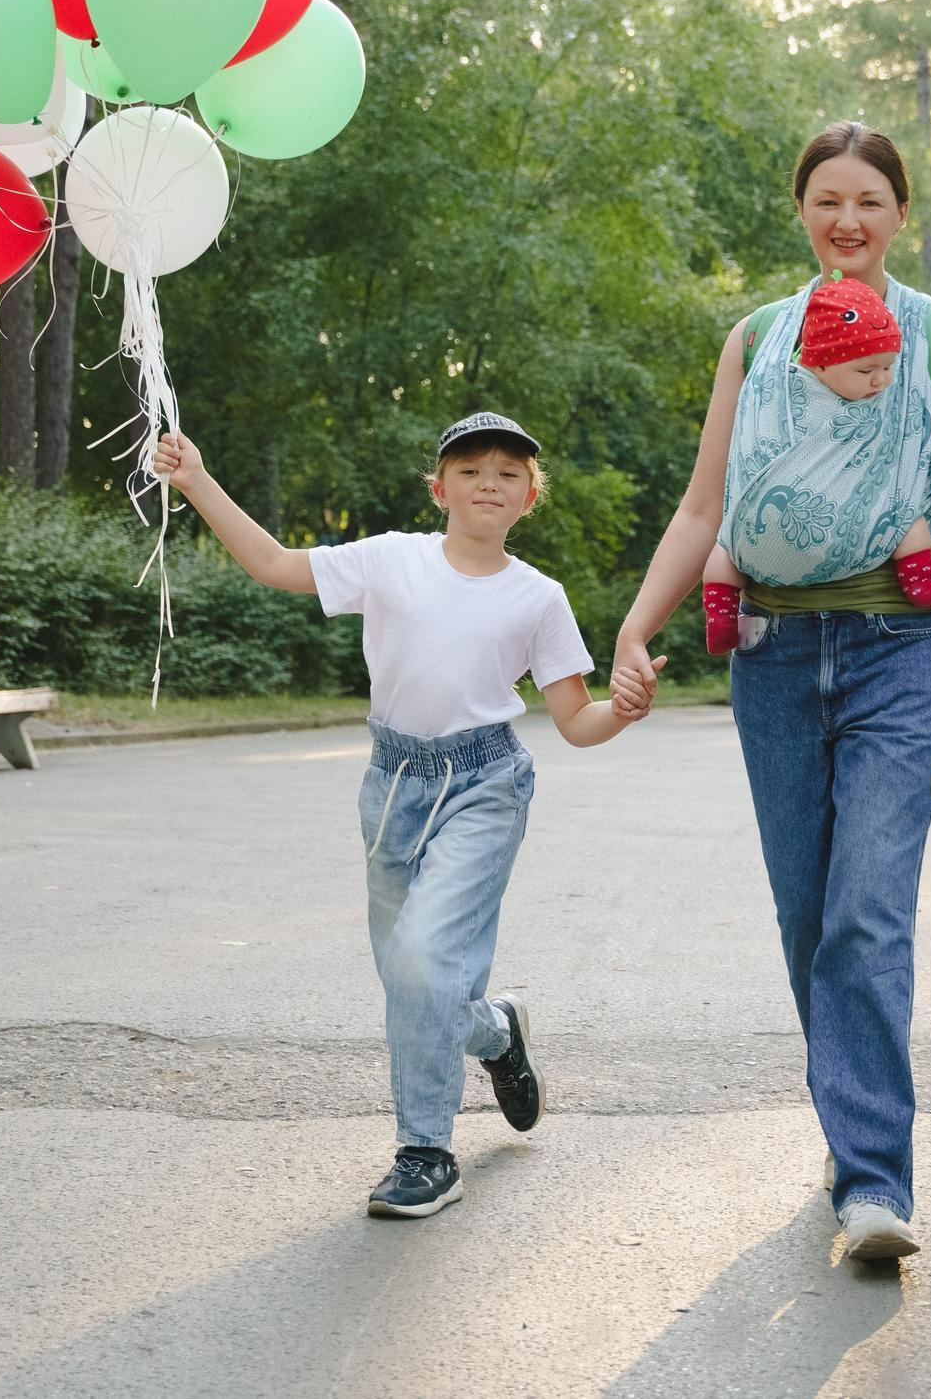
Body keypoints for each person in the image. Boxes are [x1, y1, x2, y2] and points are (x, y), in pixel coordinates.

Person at [613, 121, 931, 1264]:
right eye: (828, 198)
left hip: (902, 651)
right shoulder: (754, 339)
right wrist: (637, 625)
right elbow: (702, 509)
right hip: (774, 657)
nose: (848, 218)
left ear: (898, 214)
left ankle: (875, 1181)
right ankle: (852, 1134)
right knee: (806, 917)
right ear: (801, 210)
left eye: (870, 201)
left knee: (865, 910)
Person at [153, 411, 655, 1220]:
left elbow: (575, 720)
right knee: (410, 980)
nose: (489, 481)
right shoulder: (390, 560)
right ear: (439, 488)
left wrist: (623, 711)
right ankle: (496, 1032)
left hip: (486, 784)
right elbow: (275, 562)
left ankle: (425, 1151)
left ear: (531, 495)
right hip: (391, 789)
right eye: (470, 469)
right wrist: (196, 478)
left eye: (507, 472)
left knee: (423, 962)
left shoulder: (540, 597)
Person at [698, 277, 931, 653]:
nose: (883, 381)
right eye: (866, 371)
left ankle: (720, 613)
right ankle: (920, 582)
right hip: (826, 523)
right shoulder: (795, 390)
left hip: (763, 539)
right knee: (907, 513)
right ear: (819, 365)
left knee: (728, 545)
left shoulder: (774, 382)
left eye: (889, 367)